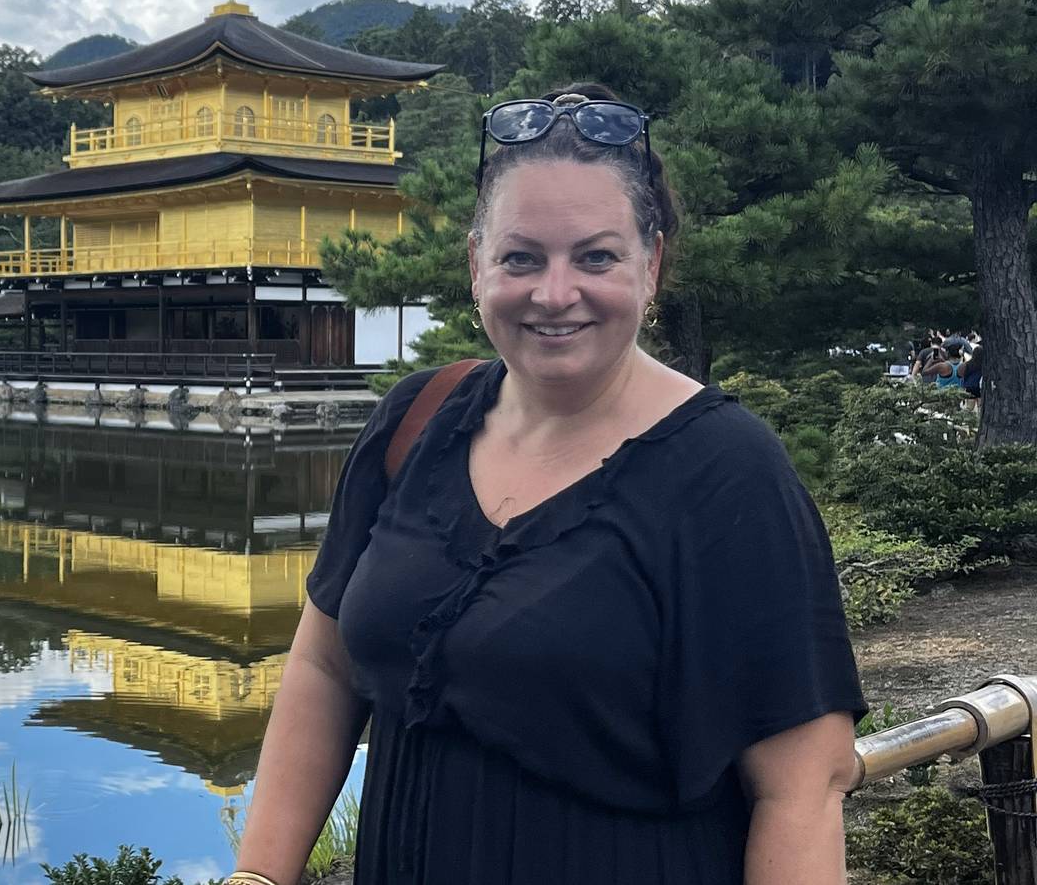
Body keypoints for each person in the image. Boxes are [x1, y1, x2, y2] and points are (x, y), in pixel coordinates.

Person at [227, 84, 864, 885]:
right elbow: (325, 666)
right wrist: (257, 874)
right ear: (475, 264)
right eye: (521, 257)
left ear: (652, 263)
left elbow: (802, 788)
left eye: (595, 256)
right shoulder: (415, 422)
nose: (554, 293)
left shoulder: (727, 472)